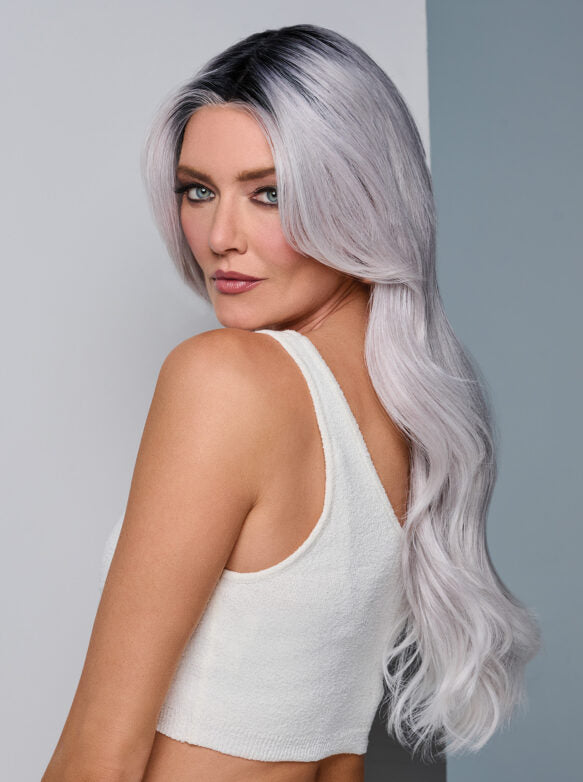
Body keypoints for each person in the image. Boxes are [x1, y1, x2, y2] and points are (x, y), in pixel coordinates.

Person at [41, 23, 542, 782]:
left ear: (359, 197)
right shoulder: (415, 417)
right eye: (198, 191)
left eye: (268, 193)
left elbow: (97, 755)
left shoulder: (226, 378)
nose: (220, 236)